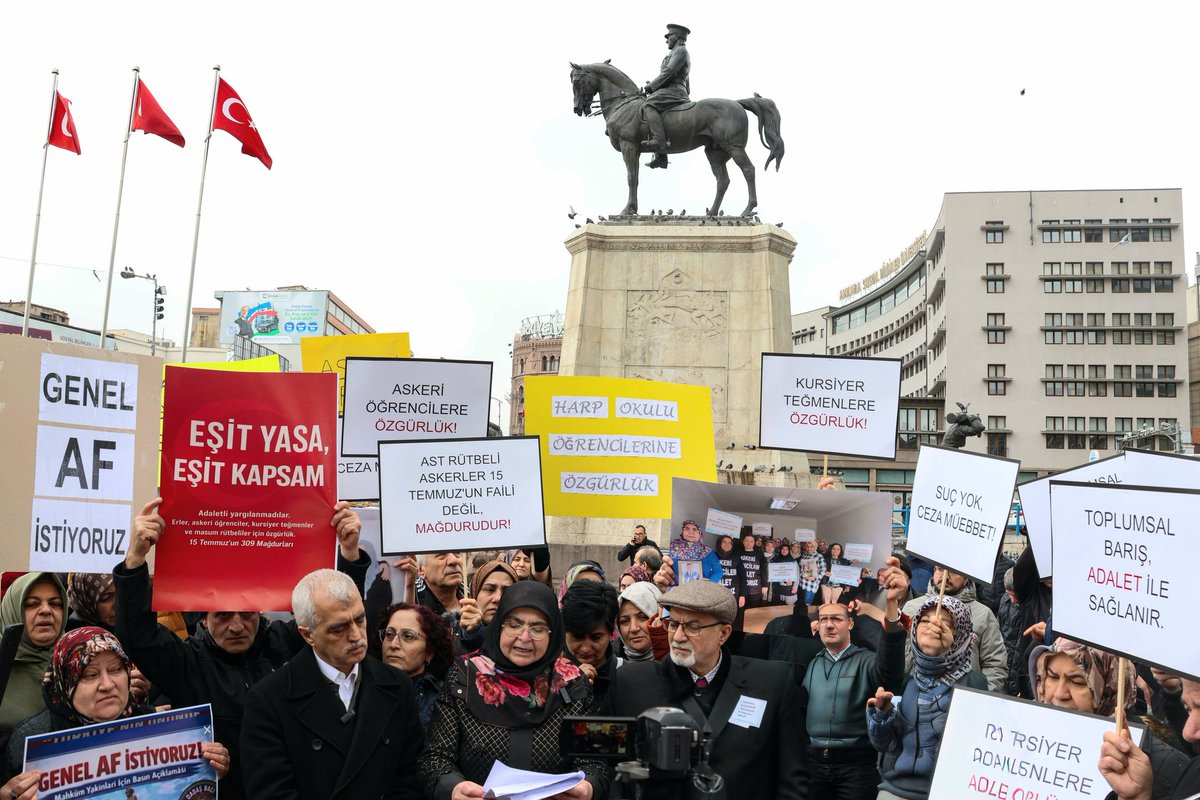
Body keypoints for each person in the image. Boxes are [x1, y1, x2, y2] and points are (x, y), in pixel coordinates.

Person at [113, 497, 368, 800]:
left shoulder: (287, 644)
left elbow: (334, 618)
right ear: (204, 619)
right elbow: (139, 637)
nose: (236, 626)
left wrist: (349, 554)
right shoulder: (186, 663)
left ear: (260, 612)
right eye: (222, 616)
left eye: (246, 615)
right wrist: (135, 559)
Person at [601, 578, 809, 799]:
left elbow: (793, 778)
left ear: (724, 633)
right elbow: (606, 763)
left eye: (693, 627)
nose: (678, 637)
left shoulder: (771, 683)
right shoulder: (630, 683)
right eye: (673, 624)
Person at [240, 569, 424, 799]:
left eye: (359, 619)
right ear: (308, 635)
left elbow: (413, 775)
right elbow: (271, 792)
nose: (356, 635)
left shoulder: (397, 685)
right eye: (339, 628)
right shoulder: (269, 700)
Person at [419, 581, 606, 800]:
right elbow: (435, 757)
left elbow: (595, 763)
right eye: (514, 625)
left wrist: (588, 787)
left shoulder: (574, 684)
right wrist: (452, 788)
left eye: (537, 628)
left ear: (553, 633)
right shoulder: (465, 676)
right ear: (499, 626)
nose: (524, 637)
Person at [3, 626, 229, 787]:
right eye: (90, 675)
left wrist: (209, 770)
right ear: (65, 683)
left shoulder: (160, 728)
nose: (107, 685)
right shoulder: (30, 740)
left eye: (116, 670)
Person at [802, 555, 909, 800]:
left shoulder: (866, 660)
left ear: (850, 624)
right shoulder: (813, 665)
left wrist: (892, 611)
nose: (829, 625)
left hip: (857, 770)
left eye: (836, 619)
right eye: (824, 620)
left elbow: (890, 673)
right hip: (814, 768)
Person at [1030, 639, 1191, 800]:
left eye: (1077, 682)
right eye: (1052, 677)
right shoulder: (1029, 742)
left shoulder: (1169, 767)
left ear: (1110, 689)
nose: (1059, 693)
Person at [866, 596, 986, 800]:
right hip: (895, 789)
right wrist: (881, 716)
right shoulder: (906, 679)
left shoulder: (974, 684)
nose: (934, 625)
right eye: (925, 621)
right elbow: (886, 746)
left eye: (946, 623)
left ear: (961, 635)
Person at [900, 565, 1009, 693]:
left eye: (954, 571)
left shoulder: (983, 614)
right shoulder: (912, 607)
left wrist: (980, 697)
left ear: (966, 579)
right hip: (916, 695)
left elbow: (995, 664)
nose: (945, 575)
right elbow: (899, 653)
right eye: (940, 569)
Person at [1099, 677, 1200, 800]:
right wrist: (1137, 797)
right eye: (1188, 709)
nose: (1188, 733)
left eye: (1078, 682)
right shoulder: (1192, 779)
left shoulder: (1171, 763)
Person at [0, 572, 66, 751]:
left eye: (55, 603)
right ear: (12, 611)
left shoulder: (75, 662)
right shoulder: (3, 664)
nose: (46, 610)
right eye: (32, 604)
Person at [376, 602, 454, 730]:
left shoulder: (442, 701)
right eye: (389, 634)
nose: (393, 644)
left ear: (429, 652)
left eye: (408, 636)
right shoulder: (364, 685)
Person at [640, 23, 691, 169]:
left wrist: (651, 87)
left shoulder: (680, 51)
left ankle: (659, 142)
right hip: (671, 90)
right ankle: (661, 157)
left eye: (668, 37)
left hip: (674, 91)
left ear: (676, 37)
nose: (666, 40)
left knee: (648, 105)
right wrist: (655, 86)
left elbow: (669, 72)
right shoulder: (675, 53)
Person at [561, 579, 621, 701]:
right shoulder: (545, 679)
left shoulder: (625, 675)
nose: (585, 648)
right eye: (577, 637)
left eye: (596, 637)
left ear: (611, 631)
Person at [457, 560, 517, 652]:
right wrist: (472, 634)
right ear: (475, 593)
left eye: (506, 591)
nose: (497, 598)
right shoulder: (451, 634)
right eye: (490, 589)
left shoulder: (525, 639)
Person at [615, 581, 668, 662]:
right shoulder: (607, 662)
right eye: (624, 621)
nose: (633, 628)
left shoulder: (680, 661)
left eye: (643, 618)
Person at [667, 520, 721, 585]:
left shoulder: (707, 552)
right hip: (677, 591)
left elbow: (718, 572)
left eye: (694, 529)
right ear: (682, 531)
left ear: (699, 533)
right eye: (687, 529)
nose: (691, 532)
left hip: (702, 592)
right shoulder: (672, 548)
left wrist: (707, 586)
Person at [998, 567, 1023, 696]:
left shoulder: (1033, 605)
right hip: (1005, 670)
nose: (1012, 599)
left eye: (1015, 595)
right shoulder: (1004, 601)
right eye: (1009, 594)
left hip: (1021, 676)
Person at [735, 531, 768, 610]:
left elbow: (764, 571)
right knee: (741, 611)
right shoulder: (737, 554)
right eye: (746, 541)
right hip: (741, 589)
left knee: (753, 612)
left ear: (754, 543)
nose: (748, 543)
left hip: (755, 589)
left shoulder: (760, 555)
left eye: (751, 541)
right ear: (743, 542)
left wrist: (764, 585)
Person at [798, 540, 824, 606]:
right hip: (802, 584)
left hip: (810, 585)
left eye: (811, 547)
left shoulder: (819, 556)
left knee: (807, 605)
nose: (809, 548)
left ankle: (807, 616)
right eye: (808, 546)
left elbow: (823, 570)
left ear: (815, 547)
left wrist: (815, 578)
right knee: (802, 604)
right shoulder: (804, 555)